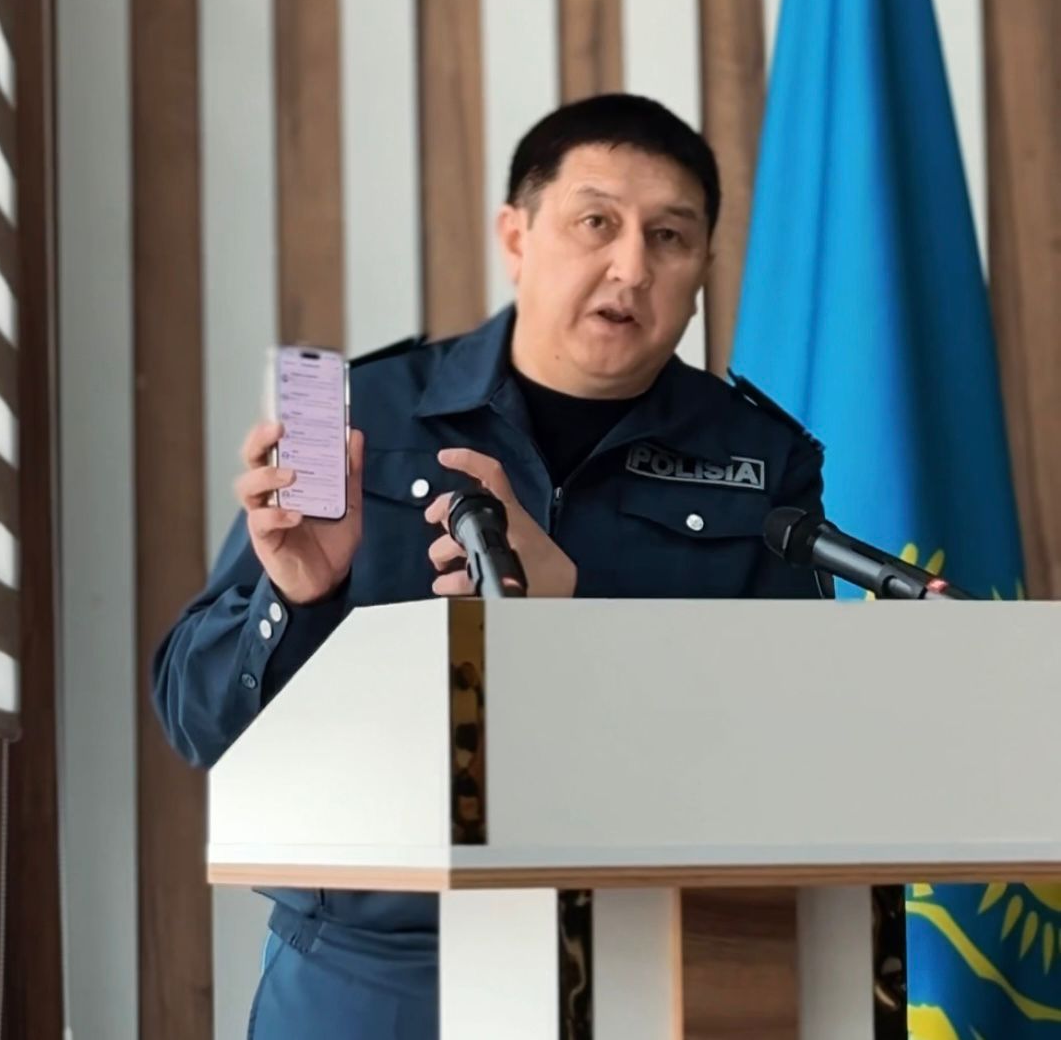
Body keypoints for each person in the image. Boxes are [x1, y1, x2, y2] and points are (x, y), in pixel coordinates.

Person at [152, 93, 828, 1039]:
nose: (631, 266)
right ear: (516, 235)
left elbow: (796, 739)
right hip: (378, 967)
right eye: (596, 222)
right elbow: (197, 723)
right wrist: (296, 597)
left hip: (653, 953)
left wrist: (574, 617)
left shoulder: (761, 458)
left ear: (703, 270)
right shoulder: (360, 414)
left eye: (669, 236)